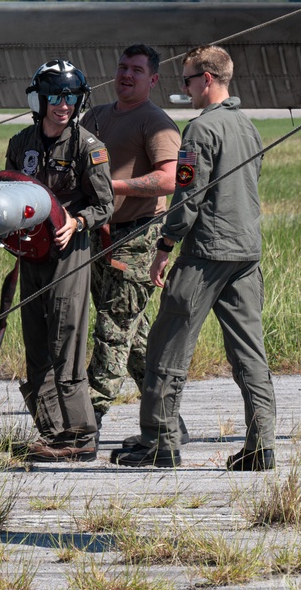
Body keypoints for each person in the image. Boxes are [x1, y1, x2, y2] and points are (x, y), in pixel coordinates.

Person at [111, 45, 277, 470]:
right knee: (249, 354)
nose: (184, 90)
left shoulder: (199, 132)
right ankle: (262, 446)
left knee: (166, 349)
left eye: (186, 81)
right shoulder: (247, 126)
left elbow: (187, 197)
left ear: (206, 79)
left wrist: (164, 248)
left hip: (205, 254)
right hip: (246, 253)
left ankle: (160, 443)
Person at [5, 59, 114, 462]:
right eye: (55, 97)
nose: (62, 105)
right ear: (41, 100)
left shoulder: (89, 147)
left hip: (70, 252)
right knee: (36, 343)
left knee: (66, 341)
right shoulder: (21, 143)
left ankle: (82, 434)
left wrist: (78, 219)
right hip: (30, 253)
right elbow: (9, 188)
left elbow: (105, 203)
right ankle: (53, 434)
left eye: (69, 97)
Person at [79, 44, 186, 440]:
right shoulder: (96, 117)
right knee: (136, 343)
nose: (126, 75)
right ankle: (168, 425)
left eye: (136, 70)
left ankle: (86, 426)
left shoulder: (156, 124)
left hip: (137, 239)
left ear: (152, 79)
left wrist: (113, 187)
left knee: (113, 330)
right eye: (122, 67)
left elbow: (171, 179)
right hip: (99, 236)